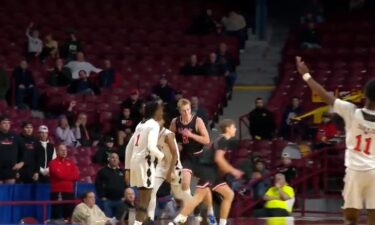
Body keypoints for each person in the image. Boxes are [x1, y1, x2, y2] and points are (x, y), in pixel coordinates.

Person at [296, 56, 375, 225]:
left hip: (355, 171)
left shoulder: (352, 111)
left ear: (365, 94)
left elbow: (323, 95)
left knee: (350, 218)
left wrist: (306, 75)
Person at [169, 98, 216, 225]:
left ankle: (210, 211)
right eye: (184, 111)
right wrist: (176, 144)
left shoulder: (197, 120)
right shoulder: (175, 122)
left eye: (188, 110)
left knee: (204, 188)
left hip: (200, 156)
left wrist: (192, 135)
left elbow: (207, 140)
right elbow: (169, 138)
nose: (187, 113)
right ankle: (193, 209)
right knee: (185, 184)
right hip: (186, 157)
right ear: (179, 111)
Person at [124, 101, 165, 225]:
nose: (162, 112)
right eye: (161, 109)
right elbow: (152, 147)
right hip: (144, 163)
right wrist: (163, 157)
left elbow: (129, 147)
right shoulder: (154, 124)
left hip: (135, 162)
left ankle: (138, 222)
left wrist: (127, 169)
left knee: (143, 198)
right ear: (155, 111)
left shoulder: (140, 124)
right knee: (144, 199)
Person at [147, 117, 192, 222]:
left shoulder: (168, 135)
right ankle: (149, 219)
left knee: (180, 195)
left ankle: (194, 207)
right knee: (151, 191)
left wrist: (170, 172)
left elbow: (175, 155)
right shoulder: (153, 135)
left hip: (174, 167)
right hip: (161, 166)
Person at [208, 119, 244, 225]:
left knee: (207, 200)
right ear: (228, 129)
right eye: (233, 127)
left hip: (209, 173)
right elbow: (218, 159)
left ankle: (213, 222)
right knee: (229, 195)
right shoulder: (223, 140)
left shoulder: (218, 140)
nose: (235, 129)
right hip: (211, 174)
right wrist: (234, 171)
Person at [49, 144, 79, 220]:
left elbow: (76, 176)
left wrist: (64, 175)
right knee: (57, 215)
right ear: (57, 152)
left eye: (65, 150)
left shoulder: (70, 162)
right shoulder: (52, 163)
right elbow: (59, 175)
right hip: (57, 192)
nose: (64, 152)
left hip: (69, 192)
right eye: (62, 150)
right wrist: (69, 175)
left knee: (69, 215)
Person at [95, 153, 126, 218]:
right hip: (107, 201)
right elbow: (98, 185)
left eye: (116, 158)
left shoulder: (122, 171)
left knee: (121, 220)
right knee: (107, 220)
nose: (115, 159)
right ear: (109, 159)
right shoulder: (102, 171)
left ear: (118, 160)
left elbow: (125, 184)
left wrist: (124, 196)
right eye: (113, 158)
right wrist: (102, 196)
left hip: (120, 200)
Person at [0, 116, 24, 184]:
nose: (7, 125)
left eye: (8, 123)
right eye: (4, 123)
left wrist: (21, 163)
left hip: (11, 169)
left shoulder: (16, 137)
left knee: (9, 192)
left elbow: (24, 150)